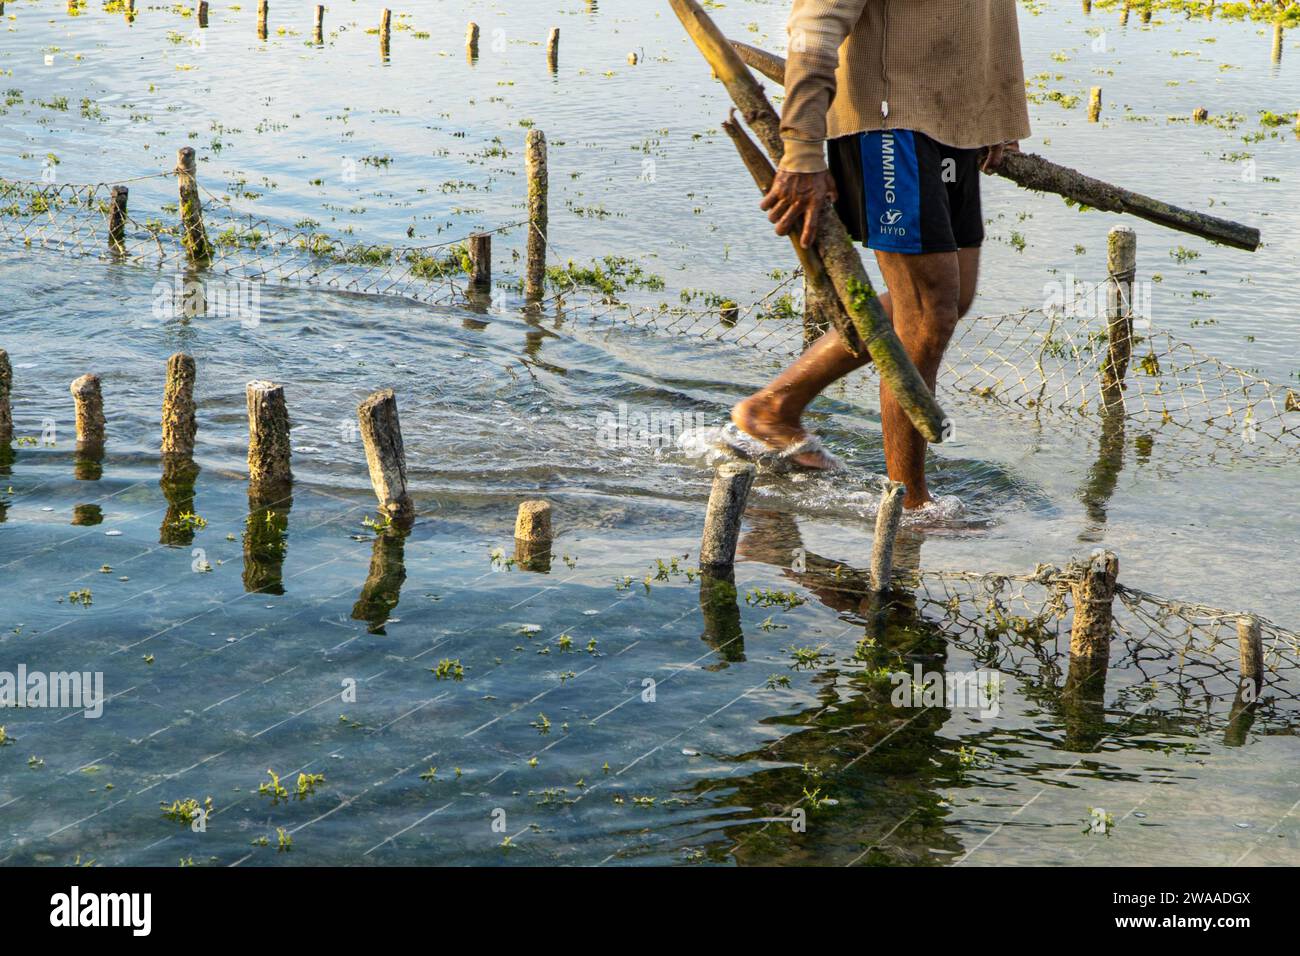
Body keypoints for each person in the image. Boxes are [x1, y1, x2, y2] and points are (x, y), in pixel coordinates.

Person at [729, 0, 1031, 509]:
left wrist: (995, 116)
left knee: (950, 301)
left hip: (951, 121)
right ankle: (909, 502)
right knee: (927, 317)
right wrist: (802, 148)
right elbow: (815, 25)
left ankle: (773, 409)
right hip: (888, 123)